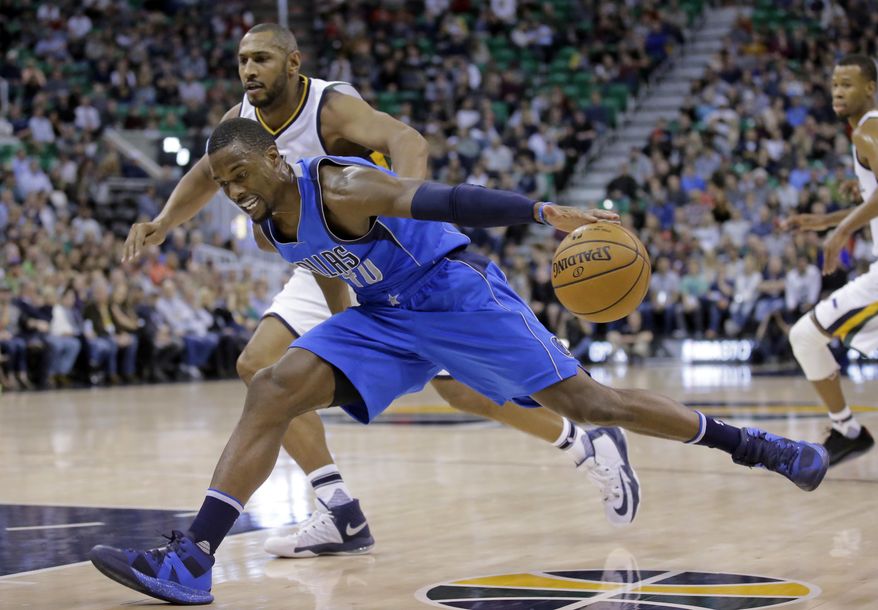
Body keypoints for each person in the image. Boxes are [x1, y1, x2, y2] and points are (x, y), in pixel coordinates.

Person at [89, 119, 829, 605]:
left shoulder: (344, 185)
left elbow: (445, 198)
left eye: (243, 172)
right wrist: (343, 343)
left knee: (591, 405)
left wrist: (544, 213)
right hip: (385, 317)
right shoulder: (264, 228)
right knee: (274, 385)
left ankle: (759, 446)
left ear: (276, 156)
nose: (237, 189)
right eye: (224, 183)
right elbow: (323, 263)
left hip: (454, 296)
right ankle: (194, 560)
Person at [121, 24, 615, 557]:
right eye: (242, 61)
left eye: (260, 59)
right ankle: (338, 510)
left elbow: (407, 140)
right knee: (258, 368)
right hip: (319, 257)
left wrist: (407, 200)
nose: (248, 71)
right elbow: (203, 173)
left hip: (382, 250)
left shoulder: (328, 106)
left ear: (293, 63)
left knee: (458, 387)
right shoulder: (239, 121)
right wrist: (164, 220)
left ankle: (583, 442)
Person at [783, 54, 877, 465]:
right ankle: (847, 431)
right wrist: (825, 220)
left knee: (805, 336)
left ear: (870, 88)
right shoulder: (866, 132)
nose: (838, 91)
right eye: (835, 83)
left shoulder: (868, 132)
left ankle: (847, 430)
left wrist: (840, 232)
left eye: (848, 84)